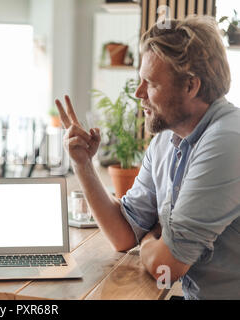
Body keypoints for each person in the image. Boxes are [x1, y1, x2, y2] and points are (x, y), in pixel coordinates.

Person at [56, 16, 239, 300]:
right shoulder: (166, 140)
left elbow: (166, 264)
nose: (138, 93)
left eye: (150, 83)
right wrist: (83, 164)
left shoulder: (228, 140)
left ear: (191, 86)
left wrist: (151, 239)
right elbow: (123, 235)